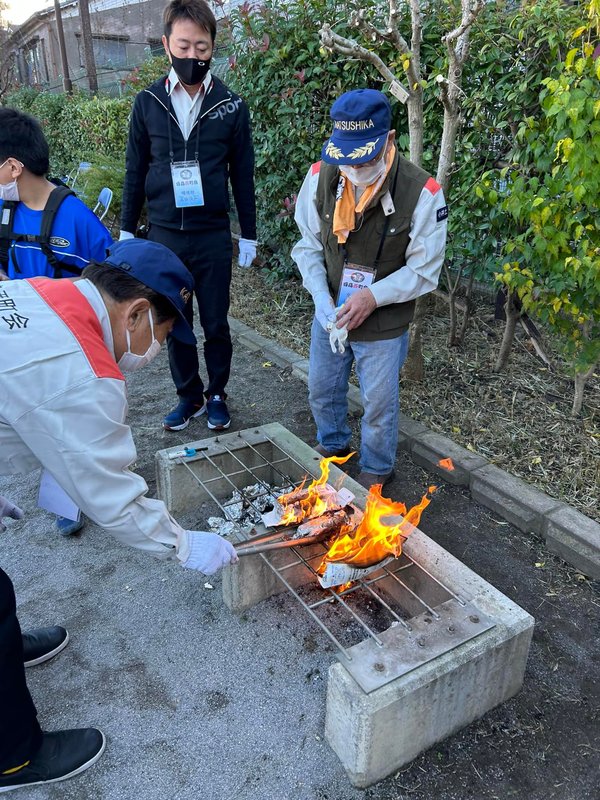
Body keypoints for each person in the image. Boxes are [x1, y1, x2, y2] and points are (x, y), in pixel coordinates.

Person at [0, 238, 238, 792]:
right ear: (134, 313)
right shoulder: (82, 373)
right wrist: (183, 545)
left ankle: (8, 647)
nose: (155, 349)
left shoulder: (41, 291)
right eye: (160, 333)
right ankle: (13, 757)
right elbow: (112, 496)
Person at [292, 89, 448, 490]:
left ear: (390, 140)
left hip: (384, 320)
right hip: (330, 309)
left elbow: (424, 270)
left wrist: (372, 296)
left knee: (379, 403)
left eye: (364, 157)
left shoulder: (423, 193)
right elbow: (308, 245)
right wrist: (321, 300)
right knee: (322, 389)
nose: (354, 168)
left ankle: (378, 468)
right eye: (347, 159)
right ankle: (333, 449)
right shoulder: (320, 175)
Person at [120, 0, 257, 434]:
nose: (193, 56)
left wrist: (248, 234)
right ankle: (189, 396)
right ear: (166, 45)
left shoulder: (230, 105)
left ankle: (217, 393)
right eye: (184, 45)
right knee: (174, 322)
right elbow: (134, 170)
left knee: (216, 322)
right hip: (164, 237)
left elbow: (243, 176)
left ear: (213, 47)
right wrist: (126, 229)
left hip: (212, 235)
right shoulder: (147, 103)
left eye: (202, 46)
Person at [0, 107, 114, 536]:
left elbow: (111, 285)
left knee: (69, 418)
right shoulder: (4, 209)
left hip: (69, 339)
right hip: (20, 330)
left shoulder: (75, 219)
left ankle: (73, 494)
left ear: (14, 166)